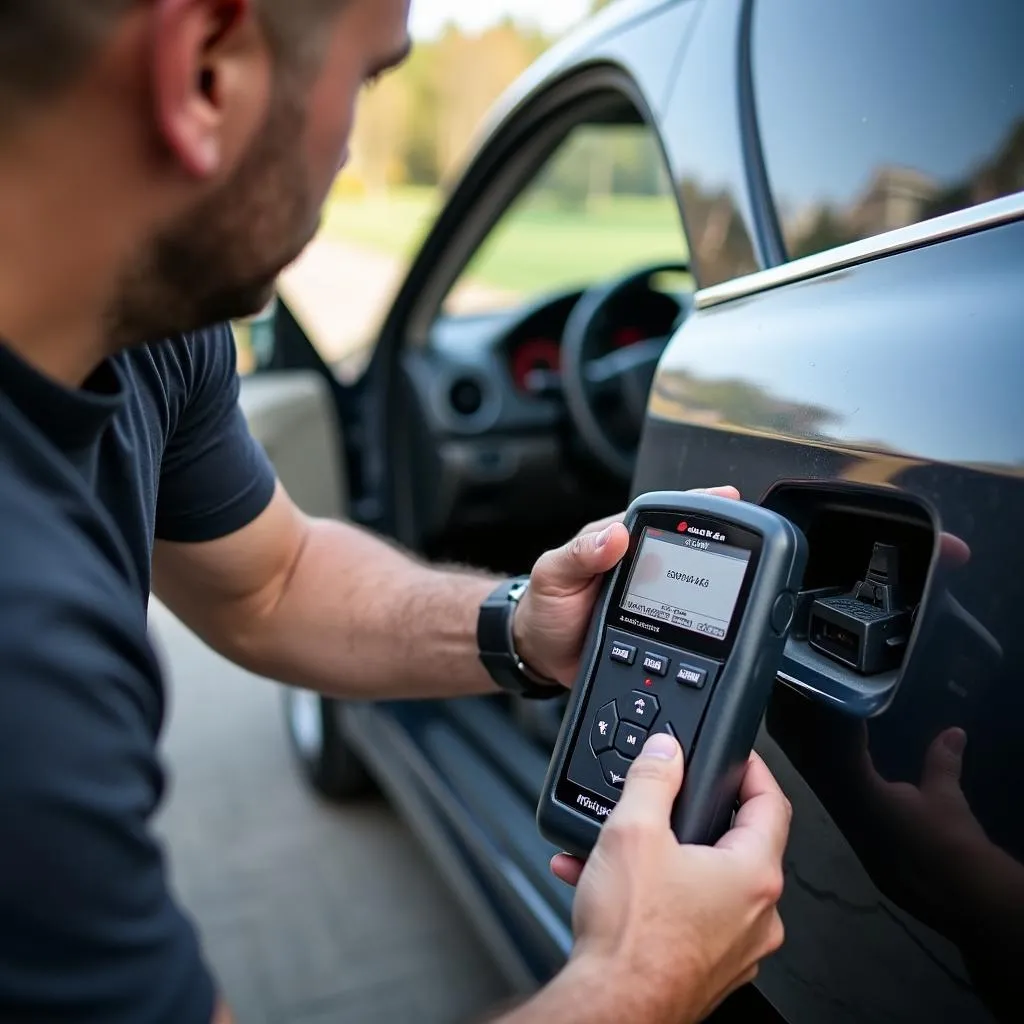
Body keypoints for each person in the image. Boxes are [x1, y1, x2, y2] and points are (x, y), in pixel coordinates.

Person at [0, 2, 792, 1022]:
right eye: (369, 79)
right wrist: (642, 983)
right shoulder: (25, 656)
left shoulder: (143, 324)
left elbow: (272, 579)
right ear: (204, 71)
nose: (350, 150)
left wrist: (516, 625)